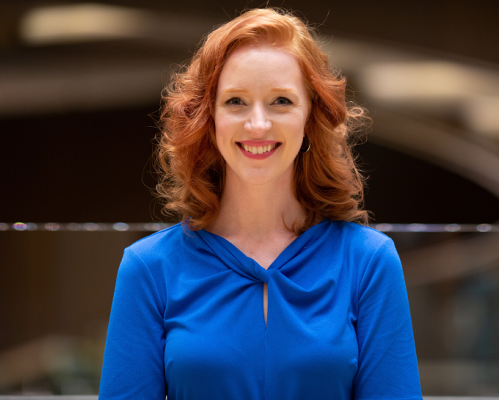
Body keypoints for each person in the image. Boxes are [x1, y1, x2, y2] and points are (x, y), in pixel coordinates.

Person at [99, 8, 422, 400]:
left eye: (281, 101)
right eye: (236, 101)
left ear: (310, 117)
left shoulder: (370, 262)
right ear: (209, 118)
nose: (257, 124)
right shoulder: (148, 269)